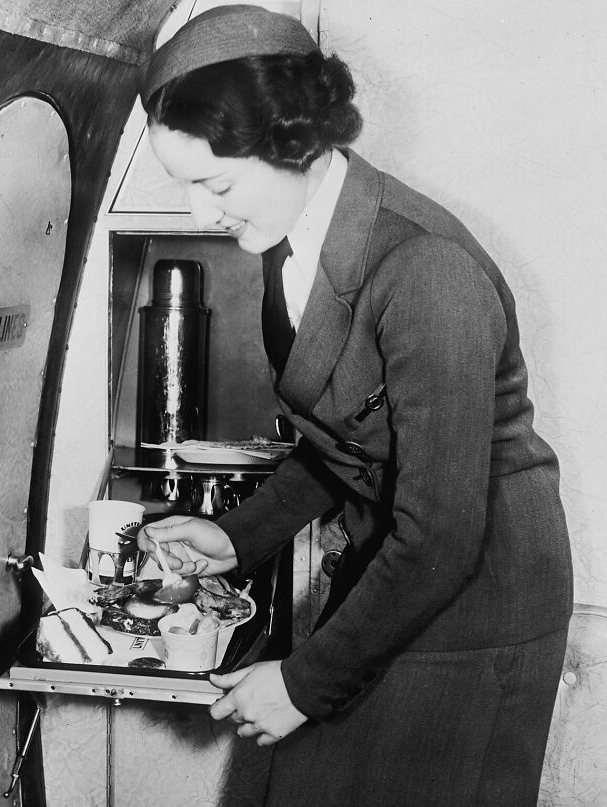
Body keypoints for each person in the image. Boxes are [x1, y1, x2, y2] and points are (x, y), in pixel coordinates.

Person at [136, 5, 573, 805]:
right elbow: (346, 436)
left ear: (295, 142)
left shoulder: (423, 269)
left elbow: (442, 527)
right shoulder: (291, 241)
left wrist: (306, 681)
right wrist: (235, 540)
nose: (201, 212)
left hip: (478, 600)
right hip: (404, 567)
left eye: (216, 182)